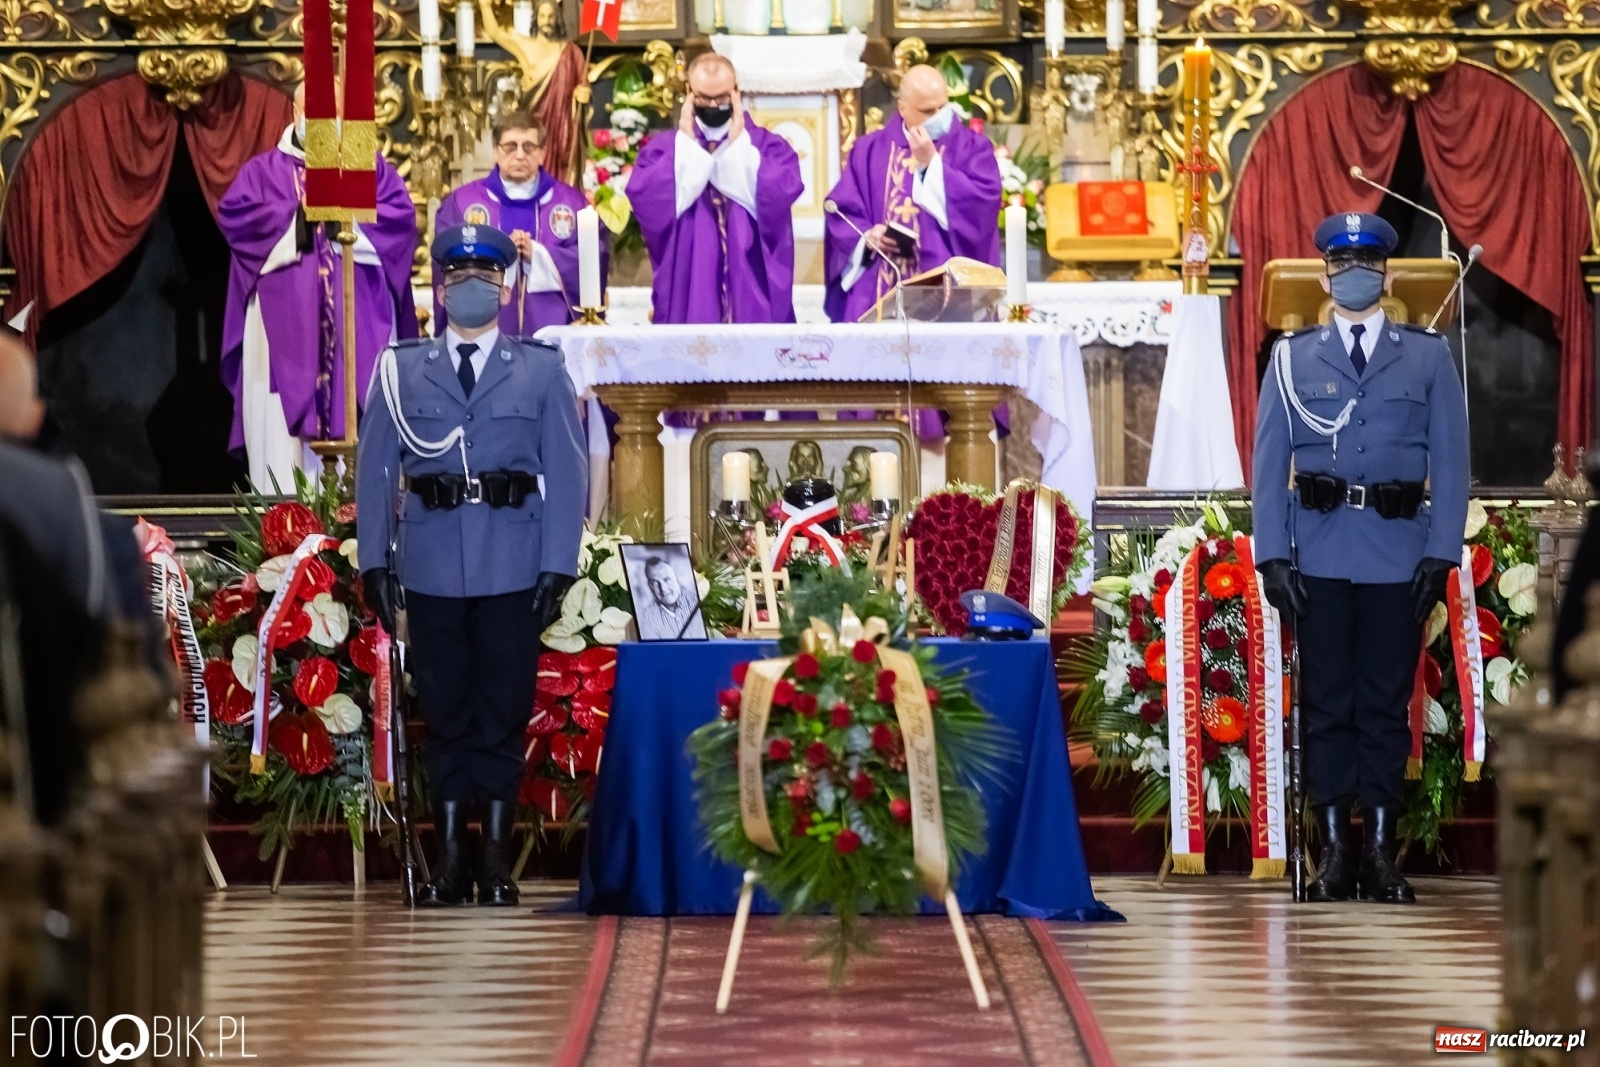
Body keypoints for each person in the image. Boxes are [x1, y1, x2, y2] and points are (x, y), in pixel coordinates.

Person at [355, 223, 586, 909]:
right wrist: (374, 560)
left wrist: (558, 565)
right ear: (440, 287)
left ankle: (493, 859)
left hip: (514, 563)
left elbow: (568, 475)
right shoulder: (400, 369)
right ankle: (451, 856)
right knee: (447, 709)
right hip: (429, 562)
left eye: (485, 277)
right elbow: (375, 470)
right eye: (457, 277)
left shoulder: (541, 369)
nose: (471, 288)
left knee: (503, 711)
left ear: (507, 286)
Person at [1252, 211, 1469, 905]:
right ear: (1323, 274)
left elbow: (1454, 462)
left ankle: (1378, 850)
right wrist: (1271, 556)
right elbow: (1267, 463)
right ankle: (1334, 854)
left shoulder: (1428, 355)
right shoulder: (1290, 358)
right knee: (1324, 705)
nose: (1353, 275)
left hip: (1399, 551)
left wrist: (1440, 553)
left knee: (1382, 704)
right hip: (1316, 546)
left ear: (1386, 273)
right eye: (1341, 264)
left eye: (1366, 264)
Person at [219, 81, 419, 493]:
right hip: (283, 333)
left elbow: (399, 223)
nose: (323, 123)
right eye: (314, 112)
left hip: (358, 328)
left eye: (333, 114)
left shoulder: (370, 168)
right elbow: (238, 221)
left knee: (367, 445)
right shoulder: (262, 174)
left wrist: (345, 222)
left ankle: (364, 541)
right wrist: (301, 220)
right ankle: (283, 545)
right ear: (295, 113)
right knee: (284, 457)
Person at [629, 52, 803, 324]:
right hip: (690, 290)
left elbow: (784, 190)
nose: (712, 104)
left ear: (736, 92)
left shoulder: (767, 147)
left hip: (750, 289)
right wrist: (686, 149)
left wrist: (738, 150)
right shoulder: (665, 150)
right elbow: (644, 197)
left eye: (721, 97)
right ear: (688, 93)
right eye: (703, 98)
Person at [823, 64, 1002, 324]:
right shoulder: (868, 150)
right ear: (903, 108)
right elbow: (842, 212)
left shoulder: (973, 148)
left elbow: (983, 207)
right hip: (879, 292)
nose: (940, 116)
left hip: (949, 298)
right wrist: (867, 238)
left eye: (943, 106)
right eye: (929, 111)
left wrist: (932, 165)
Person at [435, 111, 606, 337]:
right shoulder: (463, 203)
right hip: (480, 328)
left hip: (553, 330)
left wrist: (539, 255)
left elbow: (595, 257)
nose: (519, 155)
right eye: (510, 146)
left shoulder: (571, 204)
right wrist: (499, 255)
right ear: (496, 151)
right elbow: (445, 259)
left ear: (542, 153)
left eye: (528, 147)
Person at [479, 0, 589, 186]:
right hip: (532, 125)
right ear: (536, 19)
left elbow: (582, 85)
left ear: (558, 19)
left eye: (551, 16)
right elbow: (495, 32)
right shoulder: (525, 45)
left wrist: (583, 95)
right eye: (542, 16)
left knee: (560, 179)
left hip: (561, 127)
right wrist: (485, 6)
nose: (546, 21)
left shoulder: (570, 52)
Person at [636, 555, 703, 639]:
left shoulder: (694, 600)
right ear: (650, 586)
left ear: (676, 578)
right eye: (655, 582)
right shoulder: (648, 615)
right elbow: (655, 650)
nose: (663, 589)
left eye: (666, 579)